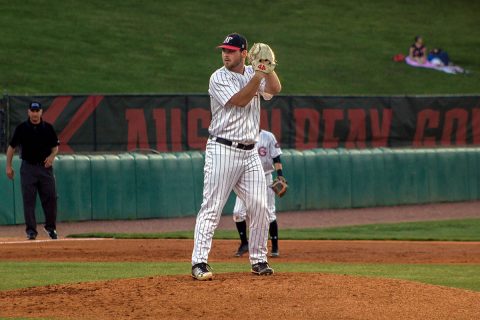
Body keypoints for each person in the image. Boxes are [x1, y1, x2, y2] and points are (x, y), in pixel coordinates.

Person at [191, 33, 282, 280]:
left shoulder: (254, 73)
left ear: (244, 53)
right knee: (212, 207)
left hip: (249, 151)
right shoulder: (218, 77)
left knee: (261, 206)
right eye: (224, 50)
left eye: (231, 50)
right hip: (222, 149)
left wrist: (269, 69)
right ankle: (199, 262)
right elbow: (241, 101)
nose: (225, 54)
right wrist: (259, 74)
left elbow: (275, 88)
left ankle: (259, 259)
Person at [5, 101, 60, 240]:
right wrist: (8, 166)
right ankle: (31, 231)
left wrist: (52, 157)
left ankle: (51, 228)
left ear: (41, 112)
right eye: (32, 111)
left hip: (45, 168)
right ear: (28, 112)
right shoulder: (22, 128)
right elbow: (11, 147)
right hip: (28, 167)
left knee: (51, 198)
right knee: (29, 200)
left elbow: (55, 147)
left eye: (37, 111)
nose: (35, 114)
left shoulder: (48, 128)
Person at [233, 129, 285, 258]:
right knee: (238, 213)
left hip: (266, 177)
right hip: (245, 179)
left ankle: (275, 246)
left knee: (269, 212)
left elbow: (276, 157)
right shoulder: (241, 135)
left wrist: (280, 176)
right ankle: (244, 243)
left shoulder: (268, 136)